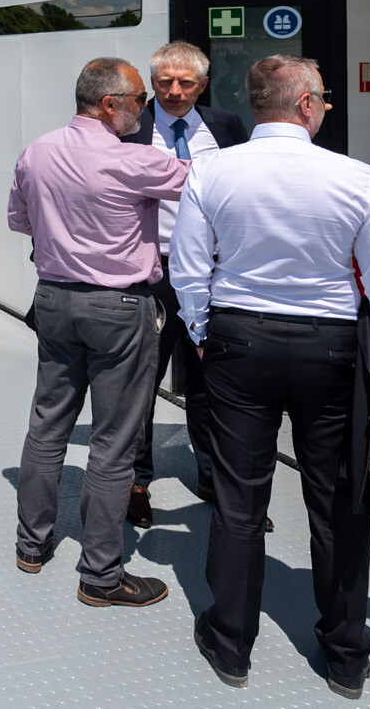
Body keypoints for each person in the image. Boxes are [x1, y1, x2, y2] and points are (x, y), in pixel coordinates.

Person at [172, 56, 370, 697]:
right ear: (305, 104)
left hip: (238, 342)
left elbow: (188, 268)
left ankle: (231, 645)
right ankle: (345, 657)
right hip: (330, 349)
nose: (327, 106)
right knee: (339, 503)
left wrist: (202, 334)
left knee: (239, 500)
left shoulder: (211, 170)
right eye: (324, 98)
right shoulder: (355, 177)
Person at [8, 57, 187, 607]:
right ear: (110, 105)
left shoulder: (36, 151)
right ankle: (101, 575)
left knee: (47, 424)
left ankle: (31, 546)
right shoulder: (137, 160)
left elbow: (19, 220)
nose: (145, 107)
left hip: (54, 301)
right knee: (114, 441)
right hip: (119, 308)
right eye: (139, 99)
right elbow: (207, 186)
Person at [119, 40, 249, 528]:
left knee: (211, 382)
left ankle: (215, 478)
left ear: (203, 84)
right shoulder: (129, 129)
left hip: (213, 273)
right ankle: (136, 483)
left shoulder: (226, 127)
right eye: (164, 82)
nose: (174, 91)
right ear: (152, 82)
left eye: (185, 82)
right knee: (141, 382)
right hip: (152, 272)